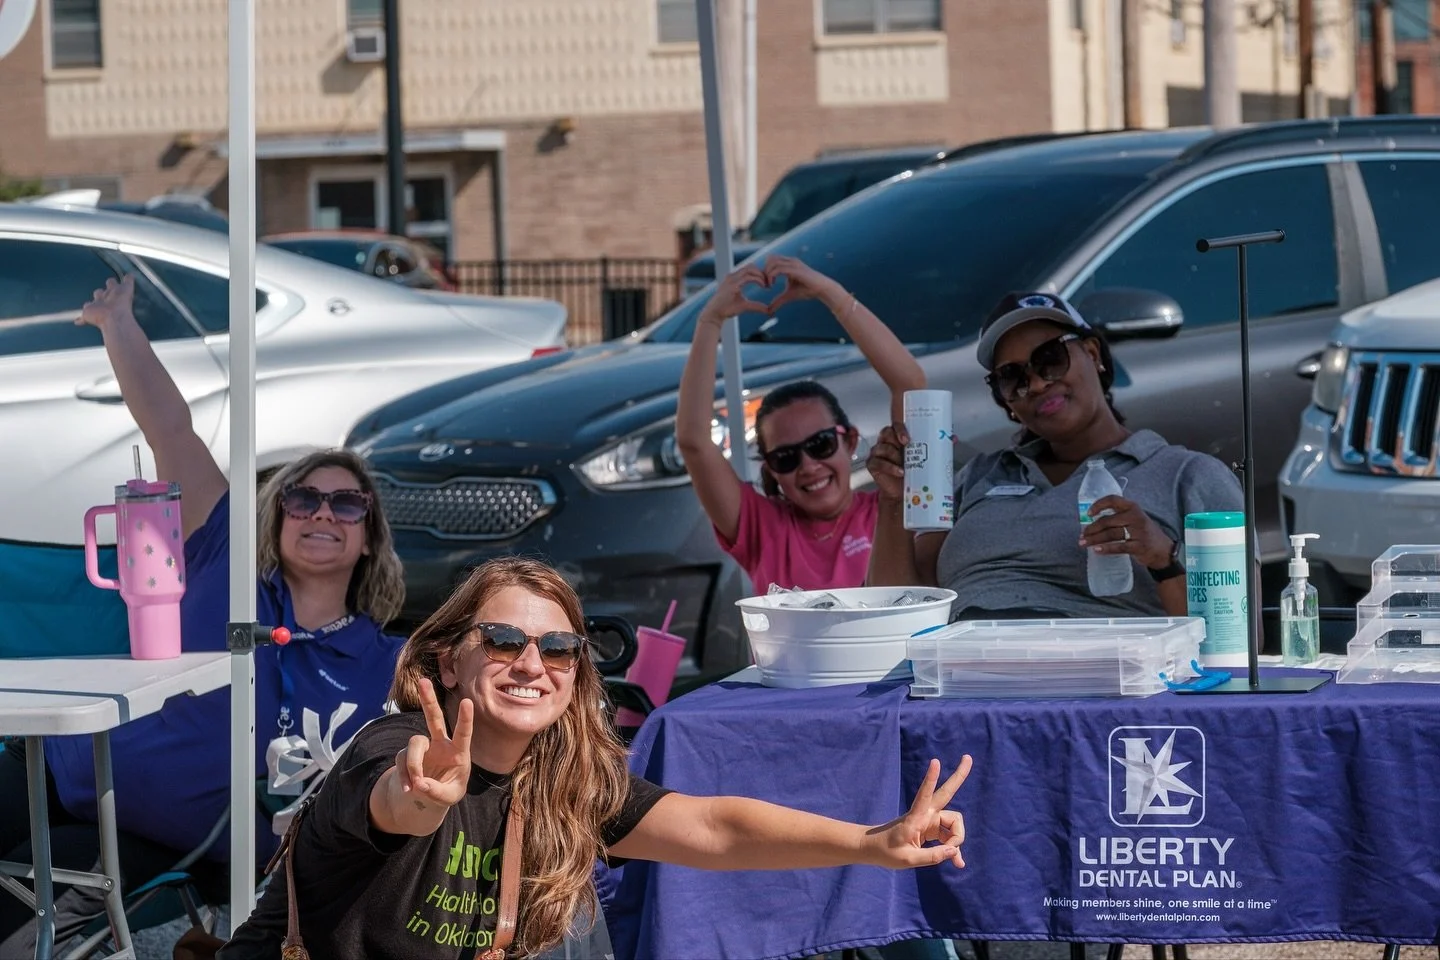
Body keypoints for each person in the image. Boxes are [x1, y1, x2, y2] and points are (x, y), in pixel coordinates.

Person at [218, 556, 973, 960]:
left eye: (558, 649)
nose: (531, 664)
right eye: (503, 641)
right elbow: (396, 802)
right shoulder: (391, 747)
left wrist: (871, 843)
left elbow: (711, 827)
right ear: (449, 662)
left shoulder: (565, 782)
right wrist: (423, 795)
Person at [0, 276, 408, 955]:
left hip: (145, 834)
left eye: (346, 504)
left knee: (17, 931)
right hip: (53, 769)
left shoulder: (384, 663)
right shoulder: (226, 558)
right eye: (302, 499)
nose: (322, 514)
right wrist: (118, 323)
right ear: (276, 516)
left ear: (370, 537)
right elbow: (169, 427)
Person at [866, 292, 1243, 618]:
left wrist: (1164, 557)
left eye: (1050, 358)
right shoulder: (979, 477)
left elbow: (1239, 641)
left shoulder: (1188, 475)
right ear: (1006, 403)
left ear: (1093, 354)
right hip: (966, 669)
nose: (1035, 383)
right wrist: (893, 500)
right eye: (1013, 377)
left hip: (1103, 673)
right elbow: (898, 610)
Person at [676, 256, 926, 594]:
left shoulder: (894, 505)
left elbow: (910, 385)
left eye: (821, 444)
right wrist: (709, 321)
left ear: (850, 441)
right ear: (770, 469)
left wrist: (832, 294)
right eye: (786, 458)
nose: (808, 466)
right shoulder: (761, 527)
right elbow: (693, 441)